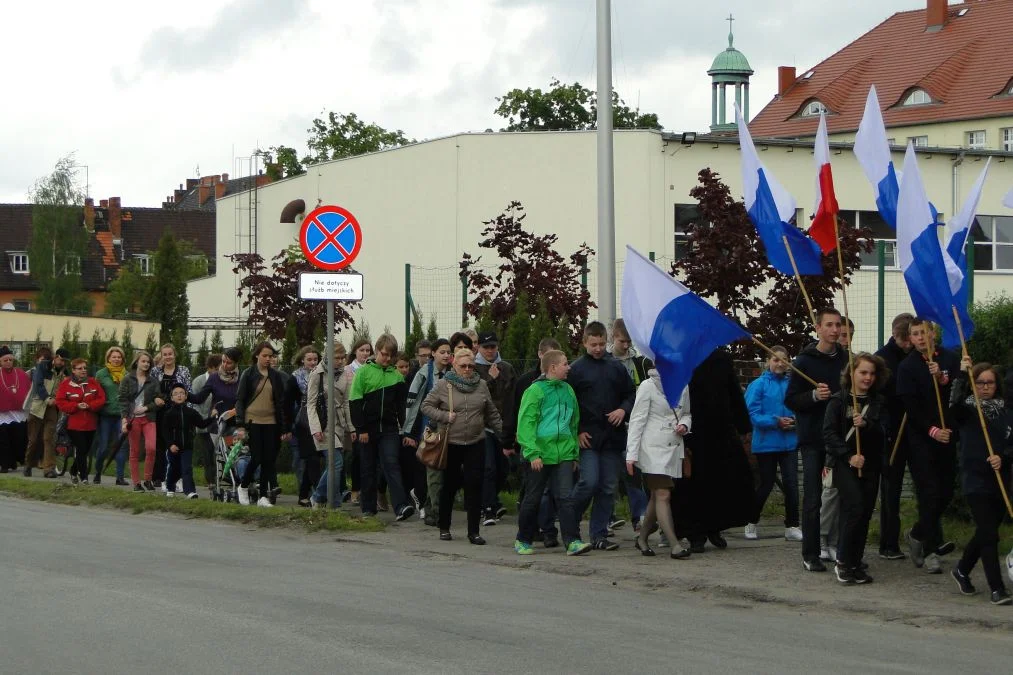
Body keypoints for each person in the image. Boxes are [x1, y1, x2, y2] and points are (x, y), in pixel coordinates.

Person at [785, 308, 849, 572]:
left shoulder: (846, 360)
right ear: (818, 328)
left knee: (846, 496)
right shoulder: (803, 362)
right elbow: (790, 400)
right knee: (813, 499)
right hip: (813, 440)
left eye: (838, 325)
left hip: (841, 439)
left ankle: (844, 551)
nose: (835, 330)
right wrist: (813, 396)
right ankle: (810, 553)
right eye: (830, 325)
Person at [674, 348, 754, 553]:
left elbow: (733, 391)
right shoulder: (681, 356)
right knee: (694, 482)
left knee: (721, 480)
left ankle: (715, 528)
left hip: (720, 428)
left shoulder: (720, 357)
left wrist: (743, 426)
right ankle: (695, 533)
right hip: (691, 429)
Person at [896, 318, 960, 574]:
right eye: (915, 334)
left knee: (945, 492)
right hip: (922, 439)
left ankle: (917, 533)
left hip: (949, 435)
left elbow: (959, 390)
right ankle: (931, 549)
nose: (921, 337)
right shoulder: (907, 367)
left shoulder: (950, 359)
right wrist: (932, 431)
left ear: (933, 333)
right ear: (910, 339)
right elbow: (910, 406)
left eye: (924, 332)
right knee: (929, 494)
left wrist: (942, 380)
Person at [421, 347, 503, 544]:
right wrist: (444, 416)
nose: (467, 369)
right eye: (463, 366)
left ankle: (473, 531)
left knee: (474, 485)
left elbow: (491, 413)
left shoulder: (481, 385)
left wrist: (505, 436)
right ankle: (444, 526)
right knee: (449, 485)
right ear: (454, 365)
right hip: (451, 442)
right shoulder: (443, 385)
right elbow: (426, 406)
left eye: (471, 366)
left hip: (476, 441)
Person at [513, 350, 591, 556]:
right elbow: (526, 424)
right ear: (552, 367)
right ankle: (523, 539)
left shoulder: (568, 390)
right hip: (540, 454)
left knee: (565, 497)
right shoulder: (535, 391)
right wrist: (532, 453)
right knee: (533, 497)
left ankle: (573, 540)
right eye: (565, 364)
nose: (569, 367)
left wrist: (574, 453)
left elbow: (573, 423)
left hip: (563, 453)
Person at [948, 359, 1013, 605]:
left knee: (987, 532)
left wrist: (1004, 458)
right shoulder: (966, 410)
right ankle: (997, 588)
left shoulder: (1007, 412)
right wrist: (962, 376)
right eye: (980, 382)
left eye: (990, 382)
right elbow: (952, 407)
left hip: (1000, 478)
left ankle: (962, 569)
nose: (986, 387)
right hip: (975, 478)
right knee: (989, 534)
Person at [567, 321, 636, 550]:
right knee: (588, 482)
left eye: (601, 344)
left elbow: (631, 394)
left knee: (608, 487)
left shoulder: (616, 367)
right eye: (593, 344)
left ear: (606, 341)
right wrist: (576, 432)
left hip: (612, 437)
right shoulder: (576, 370)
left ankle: (598, 534)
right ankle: (570, 523)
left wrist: (622, 410)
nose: (597, 348)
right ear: (585, 342)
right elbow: (568, 404)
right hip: (588, 437)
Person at [824, 352, 888, 585]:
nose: (868, 377)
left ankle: (856, 561)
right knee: (854, 509)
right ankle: (842, 561)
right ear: (851, 374)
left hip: (870, 465)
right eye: (863, 372)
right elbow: (829, 435)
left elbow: (884, 432)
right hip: (845, 464)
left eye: (871, 373)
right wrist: (849, 456)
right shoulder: (837, 401)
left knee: (865, 513)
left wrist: (867, 425)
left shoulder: (878, 402)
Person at [626, 365, 692, 560]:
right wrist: (631, 454)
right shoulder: (647, 386)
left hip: (672, 448)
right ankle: (674, 545)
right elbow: (637, 420)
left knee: (657, 497)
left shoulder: (684, 385)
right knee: (663, 494)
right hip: (651, 449)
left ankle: (642, 538)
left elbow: (687, 413)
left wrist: (685, 425)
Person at [349, 334, 413, 520]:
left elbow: (401, 407)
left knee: (391, 464)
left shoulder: (397, 377)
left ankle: (401, 506)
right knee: (368, 468)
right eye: (384, 354)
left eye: (390, 356)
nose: (386, 359)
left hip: (390, 429)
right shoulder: (363, 373)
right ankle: (368, 508)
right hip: (368, 429)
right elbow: (354, 402)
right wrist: (360, 429)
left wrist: (405, 430)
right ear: (377, 351)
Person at [744, 346, 801, 542]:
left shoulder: (792, 384)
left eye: (783, 360)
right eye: (775, 359)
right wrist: (775, 422)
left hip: (789, 443)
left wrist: (794, 421)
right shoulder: (758, 385)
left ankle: (792, 525)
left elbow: (801, 409)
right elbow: (752, 414)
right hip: (766, 444)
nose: (779, 363)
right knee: (766, 485)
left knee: (792, 485)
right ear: (768, 361)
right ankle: (751, 521)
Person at [512, 337, 563, 545]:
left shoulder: (564, 387)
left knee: (556, 493)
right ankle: (526, 534)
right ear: (541, 356)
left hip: (557, 450)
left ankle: (550, 531)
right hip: (534, 449)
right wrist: (516, 444)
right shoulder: (528, 384)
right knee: (534, 493)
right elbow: (520, 416)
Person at [874, 313, 915, 560]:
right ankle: (888, 542)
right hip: (892, 432)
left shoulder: (918, 357)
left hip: (915, 429)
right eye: (905, 340)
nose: (909, 345)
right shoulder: (883, 359)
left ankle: (928, 538)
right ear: (896, 336)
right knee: (891, 489)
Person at [234, 342, 293, 507]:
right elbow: (240, 400)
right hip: (252, 420)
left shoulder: (275, 376)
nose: (268, 359)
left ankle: (262, 497)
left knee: (268, 459)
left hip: (271, 421)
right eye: (265, 355)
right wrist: (240, 424)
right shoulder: (248, 374)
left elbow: (281, 403)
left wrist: (284, 427)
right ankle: (243, 486)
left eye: (271, 356)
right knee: (257, 456)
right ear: (257, 356)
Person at [403, 338, 453, 524]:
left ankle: (432, 509)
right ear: (434, 354)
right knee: (431, 468)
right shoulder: (424, 374)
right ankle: (435, 511)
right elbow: (412, 403)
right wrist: (408, 431)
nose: (446, 355)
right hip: (427, 428)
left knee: (440, 470)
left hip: (448, 428)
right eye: (442, 352)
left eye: (449, 352)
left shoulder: (453, 373)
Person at [609, 318, 651, 532]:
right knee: (609, 473)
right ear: (613, 337)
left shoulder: (640, 362)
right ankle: (609, 515)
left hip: (636, 423)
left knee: (633, 471)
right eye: (622, 341)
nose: (626, 346)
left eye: (629, 342)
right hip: (612, 423)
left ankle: (640, 516)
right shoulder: (606, 361)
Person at [819, 318, 855, 559]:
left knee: (846, 497)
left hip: (852, 447)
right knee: (829, 494)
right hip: (831, 446)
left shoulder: (854, 362)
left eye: (848, 334)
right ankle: (821, 538)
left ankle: (836, 541)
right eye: (842, 334)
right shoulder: (829, 363)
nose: (844, 338)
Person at [474, 331, 516, 526]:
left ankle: (493, 499)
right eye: (486, 347)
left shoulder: (506, 368)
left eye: (493, 347)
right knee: (488, 467)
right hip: (483, 426)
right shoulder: (474, 368)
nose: (490, 351)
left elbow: (511, 396)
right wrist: (491, 380)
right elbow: (479, 397)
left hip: (503, 426)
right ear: (480, 348)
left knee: (502, 469)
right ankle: (487, 508)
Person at [308, 342, 355, 509]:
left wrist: (351, 427)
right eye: (337, 358)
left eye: (343, 358)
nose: (340, 361)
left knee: (335, 466)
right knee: (336, 463)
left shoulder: (345, 374)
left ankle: (331, 502)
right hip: (323, 424)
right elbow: (311, 404)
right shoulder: (317, 374)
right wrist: (315, 428)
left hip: (340, 425)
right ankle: (319, 497)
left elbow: (347, 402)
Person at [189, 347, 242, 485]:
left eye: (228, 363)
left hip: (235, 422)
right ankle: (217, 481)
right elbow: (200, 398)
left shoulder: (242, 378)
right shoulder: (214, 378)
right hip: (218, 423)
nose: (224, 365)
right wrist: (184, 394)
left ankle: (235, 479)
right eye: (223, 361)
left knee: (235, 452)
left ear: (236, 363)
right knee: (218, 453)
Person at [54, 358, 106, 484]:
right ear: (73, 370)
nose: (83, 370)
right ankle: (84, 477)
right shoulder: (66, 384)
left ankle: (73, 470)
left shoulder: (93, 383)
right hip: (73, 424)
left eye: (85, 368)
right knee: (81, 449)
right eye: (80, 368)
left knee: (86, 450)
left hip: (90, 423)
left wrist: (90, 405)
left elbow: (101, 399)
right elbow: (60, 402)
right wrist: (75, 406)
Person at [161, 383, 215, 499]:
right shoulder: (168, 414)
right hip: (174, 447)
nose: (179, 396)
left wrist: (212, 417)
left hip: (187, 447)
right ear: (172, 397)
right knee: (174, 468)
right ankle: (170, 487)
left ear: (186, 396)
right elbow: (165, 432)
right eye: (176, 394)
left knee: (186, 468)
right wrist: (170, 445)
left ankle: (190, 491)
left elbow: (201, 424)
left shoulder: (191, 412)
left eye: (182, 393)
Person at [151, 344, 191, 489]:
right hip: (161, 413)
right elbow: (150, 391)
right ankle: (159, 477)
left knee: (178, 445)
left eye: (170, 354)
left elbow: (189, 391)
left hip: (178, 413)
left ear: (175, 355)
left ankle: (178, 477)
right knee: (161, 445)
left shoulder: (183, 370)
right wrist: (155, 399)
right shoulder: (155, 371)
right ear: (161, 356)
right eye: (165, 354)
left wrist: (188, 412)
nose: (168, 357)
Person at [119, 351, 160, 491]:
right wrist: (124, 419)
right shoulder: (127, 379)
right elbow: (122, 400)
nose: (146, 364)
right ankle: (136, 482)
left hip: (149, 418)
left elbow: (159, 400)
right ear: (137, 362)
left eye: (148, 362)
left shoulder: (153, 381)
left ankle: (148, 479)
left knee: (151, 448)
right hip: (132, 419)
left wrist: (146, 408)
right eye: (143, 361)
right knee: (134, 450)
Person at [25, 347, 68, 478]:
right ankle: (28, 464)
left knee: (49, 438)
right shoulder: (42, 367)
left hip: (52, 408)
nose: (62, 363)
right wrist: (46, 398)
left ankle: (48, 469)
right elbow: (38, 384)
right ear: (55, 357)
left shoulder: (64, 372)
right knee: (33, 440)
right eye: (61, 360)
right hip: (38, 406)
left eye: (65, 361)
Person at [286, 346, 322, 495]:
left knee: (314, 460)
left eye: (315, 359)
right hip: (300, 423)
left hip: (318, 422)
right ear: (302, 360)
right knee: (301, 460)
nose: (313, 362)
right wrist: (288, 426)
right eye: (309, 359)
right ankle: (306, 492)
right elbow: (287, 404)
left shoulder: (322, 375)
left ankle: (313, 491)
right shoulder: (295, 378)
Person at [93, 346, 129, 485]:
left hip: (122, 415)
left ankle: (120, 477)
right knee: (103, 447)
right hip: (106, 415)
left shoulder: (127, 374)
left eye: (119, 357)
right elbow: (95, 393)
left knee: (121, 445)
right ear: (108, 358)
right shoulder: (101, 374)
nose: (116, 359)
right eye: (113, 357)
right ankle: (97, 472)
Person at [189, 353, 221, 489]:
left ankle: (224, 478)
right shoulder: (199, 381)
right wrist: (201, 420)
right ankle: (211, 481)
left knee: (220, 452)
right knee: (208, 454)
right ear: (211, 368)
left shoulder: (223, 380)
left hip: (219, 423)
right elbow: (195, 402)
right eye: (219, 367)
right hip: (204, 423)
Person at [0, 346, 30, 474]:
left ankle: (14, 462)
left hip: (18, 413)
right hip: (2, 414)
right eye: (5, 360)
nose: (8, 362)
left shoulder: (21, 374)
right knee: (3, 439)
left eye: (10, 360)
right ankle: (4, 465)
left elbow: (28, 389)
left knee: (17, 438)